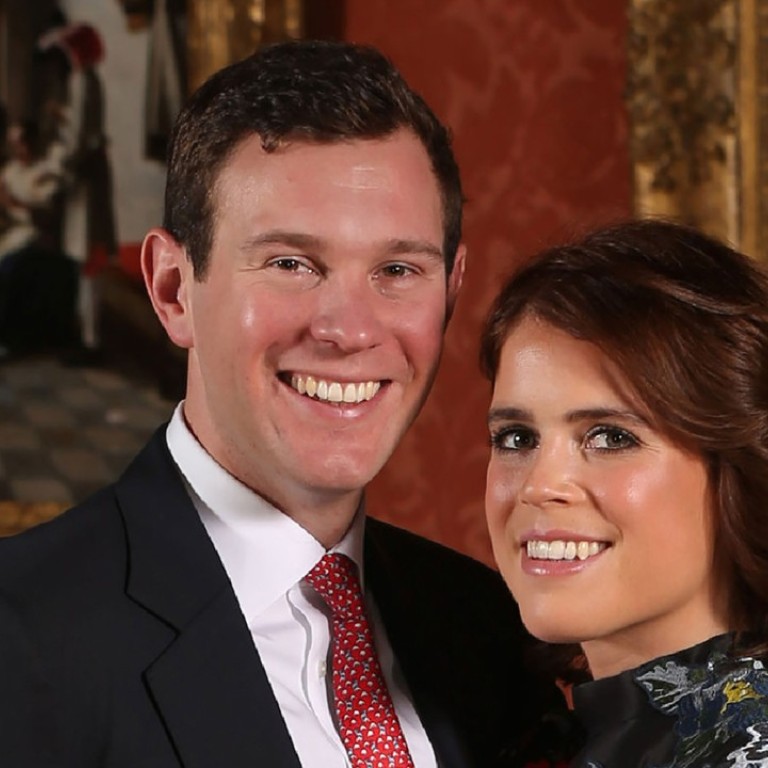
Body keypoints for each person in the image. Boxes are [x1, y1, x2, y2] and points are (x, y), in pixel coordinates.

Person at [0, 40, 565, 767]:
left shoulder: (486, 627)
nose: (349, 329)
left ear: (452, 288)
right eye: (291, 264)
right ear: (173, 288)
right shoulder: (22, 634)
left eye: (397, 269)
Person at [480, 217, 768, 766]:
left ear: (737, 467)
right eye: (517, 437)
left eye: (611, 437)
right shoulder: (541, 735)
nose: (540, 486)